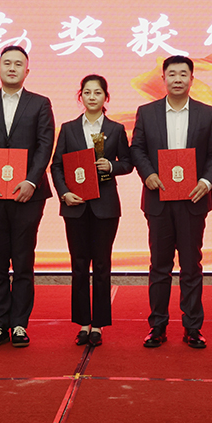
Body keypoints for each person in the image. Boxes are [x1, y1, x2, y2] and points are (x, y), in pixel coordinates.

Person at [130, 55, 212, 349]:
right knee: (159, 266)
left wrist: (206, 182)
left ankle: (192, 327)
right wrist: (148, 174)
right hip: (158, 199)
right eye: (172, 74)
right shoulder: (147, 113)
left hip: (192, 199)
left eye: (184, 74)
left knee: (191, 266)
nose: (178, 79)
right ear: (163, 79)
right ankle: (157, 326)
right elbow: (137, 149)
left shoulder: (206, 114)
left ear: (192, 79)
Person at [0, 45, 54, 348]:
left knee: (23, 260)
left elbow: (45, 144)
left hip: (27, 195)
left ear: (27, 71)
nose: (12, 68)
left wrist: (31, 181)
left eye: (18, 64)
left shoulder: (40, 103)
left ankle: (19, 325)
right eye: (7, 63)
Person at [50, 75, 133, 347]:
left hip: (105, 207)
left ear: (106, 97)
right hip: (75, 205)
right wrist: (64, 193)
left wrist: (111, 166)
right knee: (78, 264)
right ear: (80, 96)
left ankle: (98, 325)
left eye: (98, 92)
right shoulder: (69, 128)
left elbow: (128, 163)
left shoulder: (116, 129)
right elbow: (56, 165)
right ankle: (83, 323)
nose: (92, 97)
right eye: (87, 92)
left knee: (101, 265)